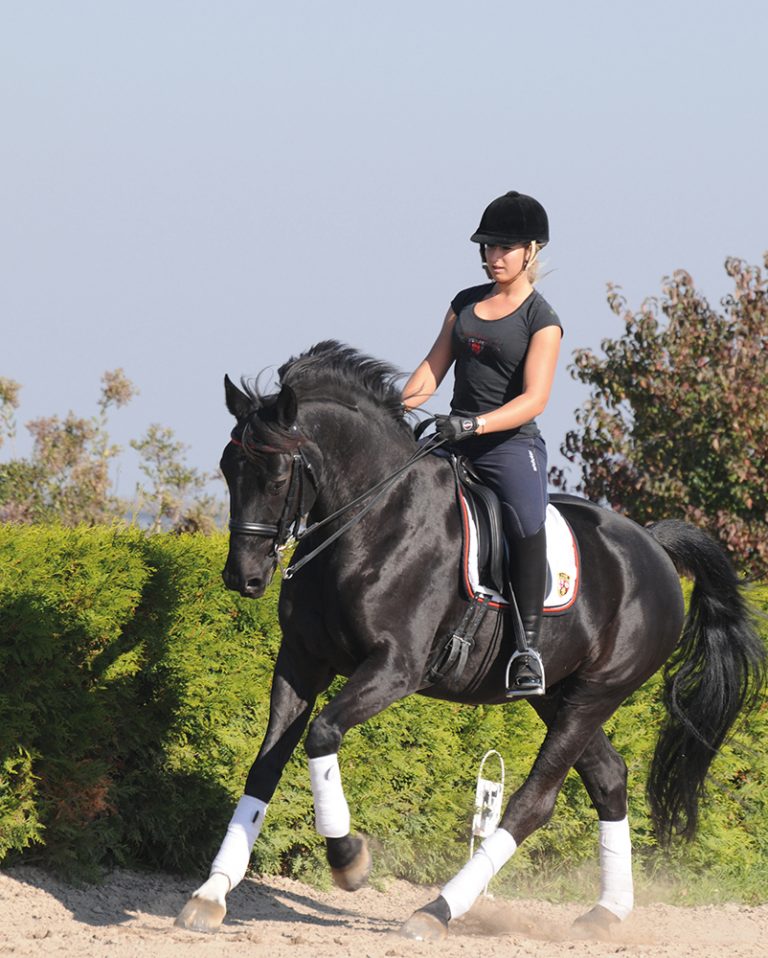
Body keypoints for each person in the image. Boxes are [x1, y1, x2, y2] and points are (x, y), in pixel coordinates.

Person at [402, 191, 562, 696]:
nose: (494, 257)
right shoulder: (464, 303)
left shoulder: (543, 320)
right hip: (452, 438)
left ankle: (528, 650)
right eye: (488, 247)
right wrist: (393, 406)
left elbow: (534, 399)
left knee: (524, 524)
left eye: (505, 248)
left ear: (532, 251)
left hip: (509, 448)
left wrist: (472, 426)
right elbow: (431, 372)